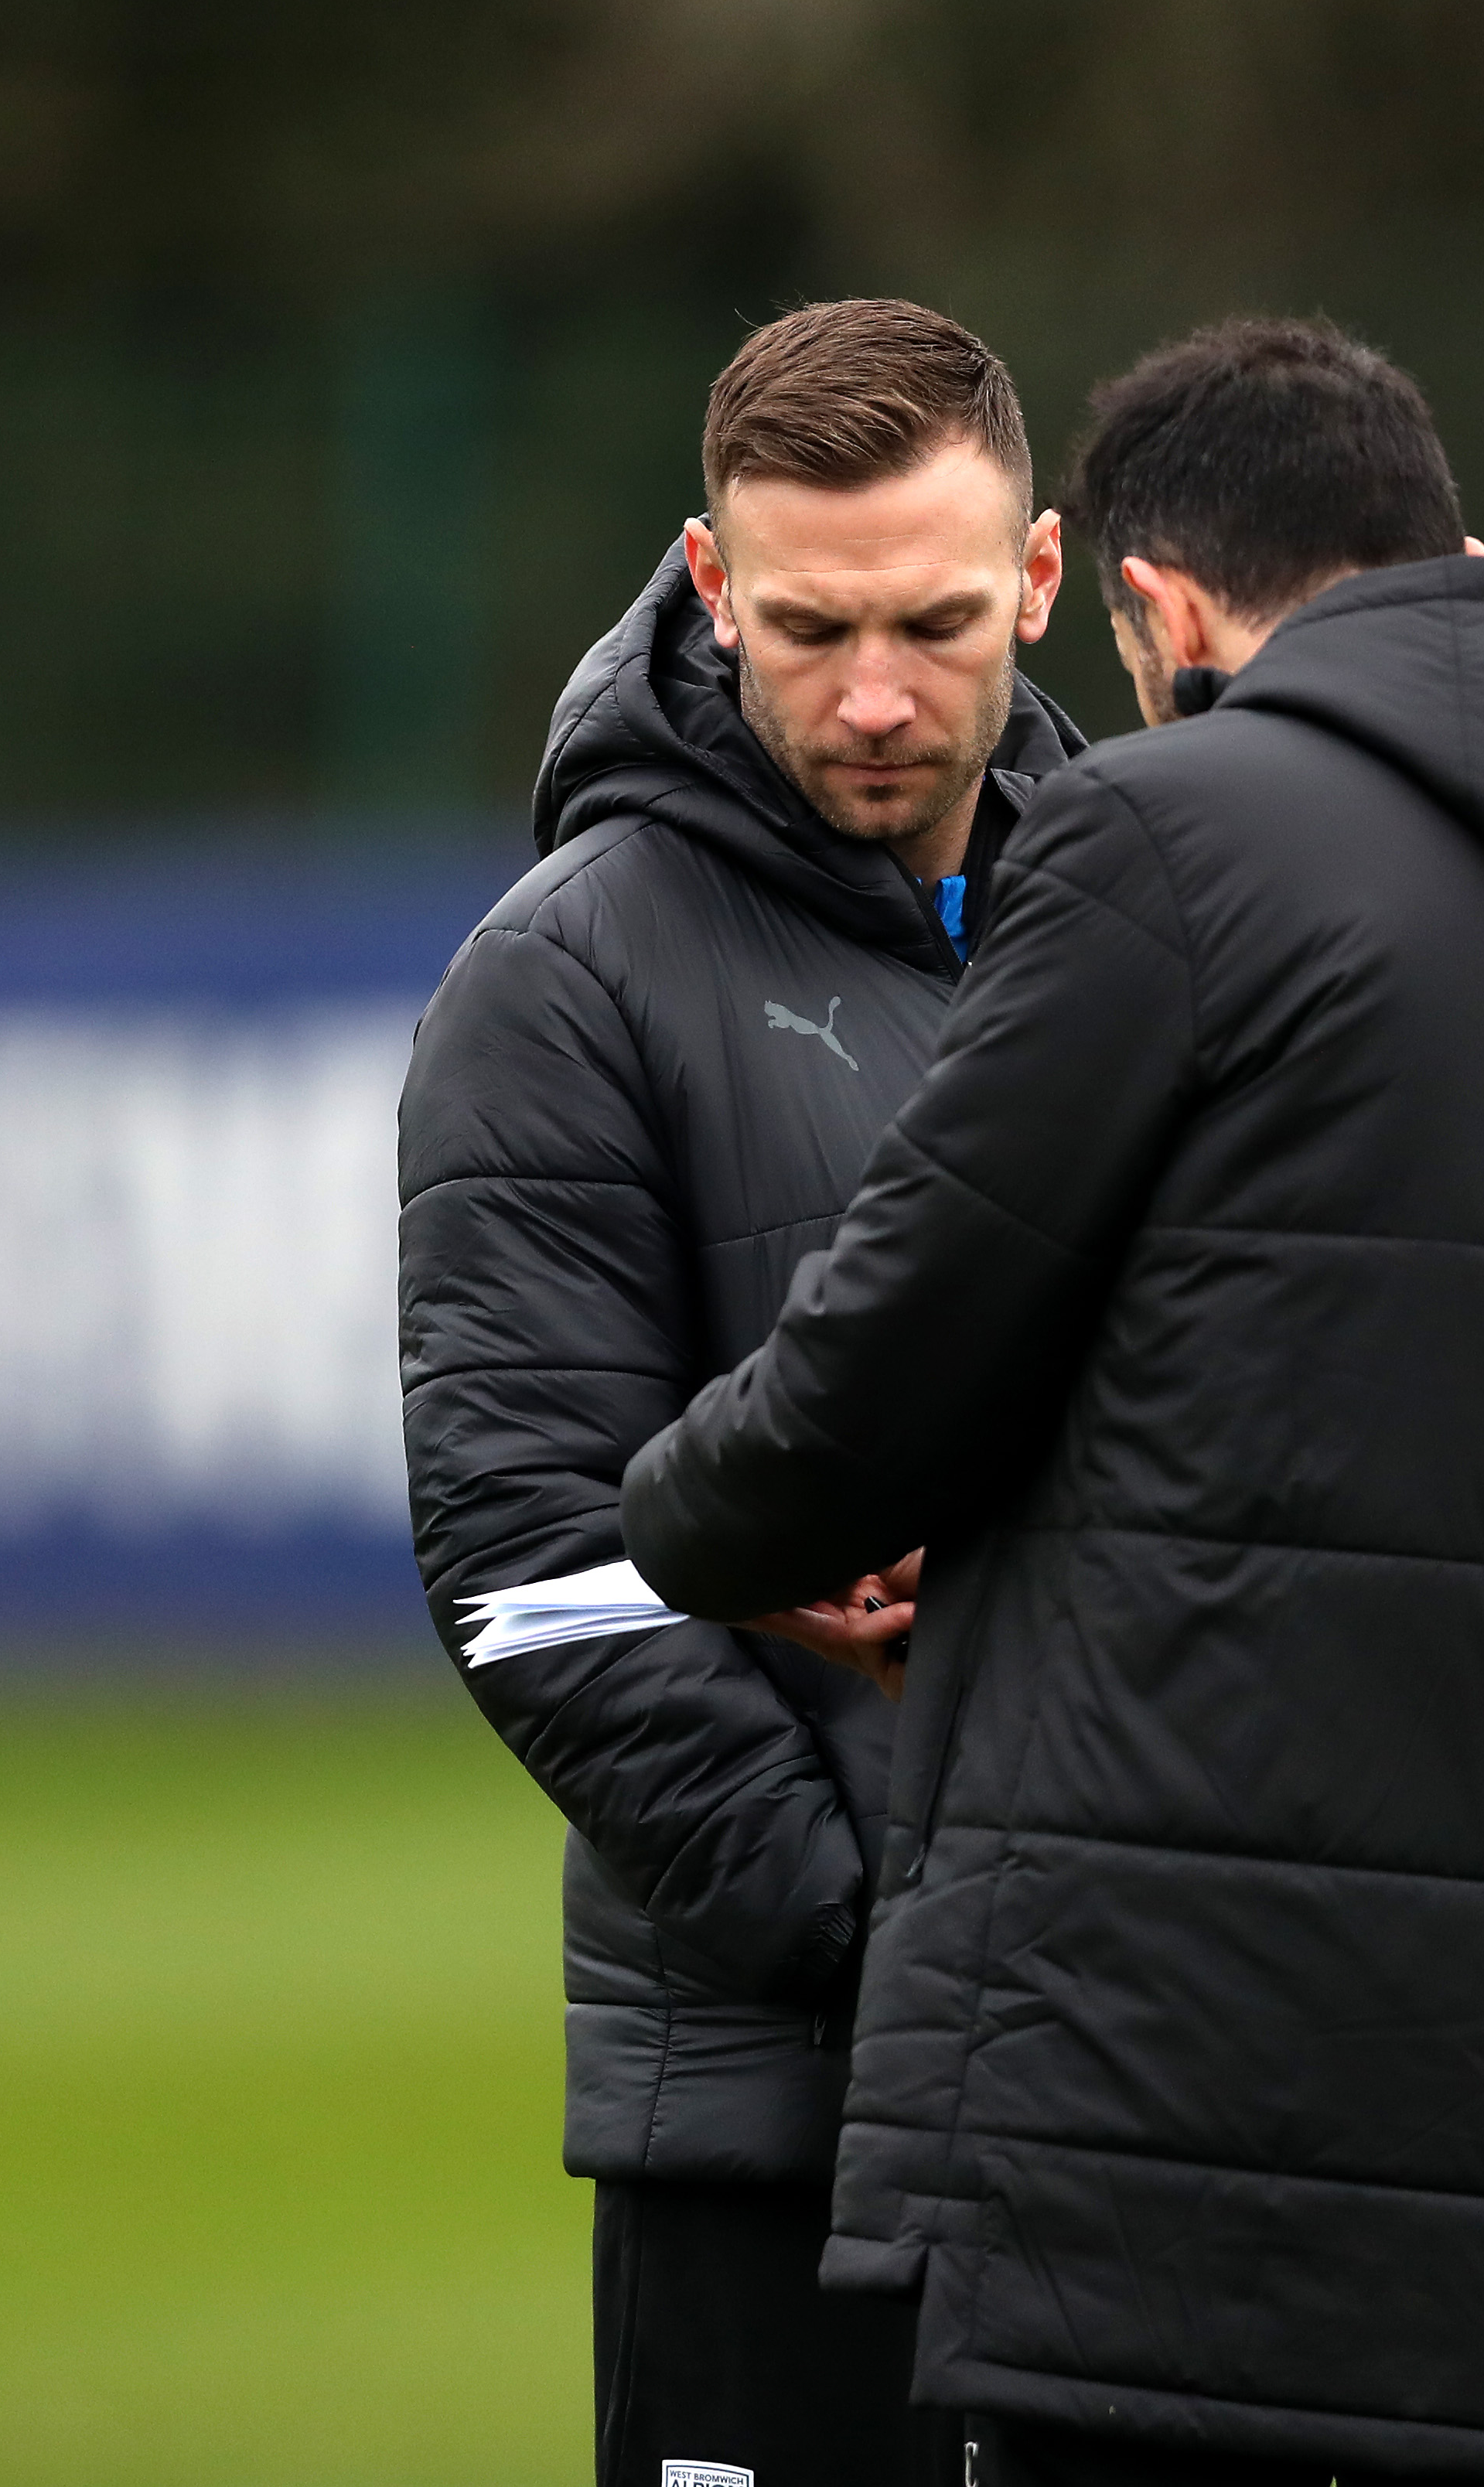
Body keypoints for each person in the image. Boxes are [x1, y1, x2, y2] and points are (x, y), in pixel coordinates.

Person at [618, 317, 1484, 2487]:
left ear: (1157, 614)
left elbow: (876, 1378)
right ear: (1453, 557)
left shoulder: (1169, 839)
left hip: (1159, 2114)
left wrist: (694, 1513)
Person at [395, 298, 1080, 2487]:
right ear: (709, 585)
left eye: (936, 623)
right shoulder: (566, 981)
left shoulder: (1166, 915)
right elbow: (530, 1582)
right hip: (784, 2125)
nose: (875, 695)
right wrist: (880, 1953)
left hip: (1137, 2099)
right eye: (807, 628)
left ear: (1042, 582)